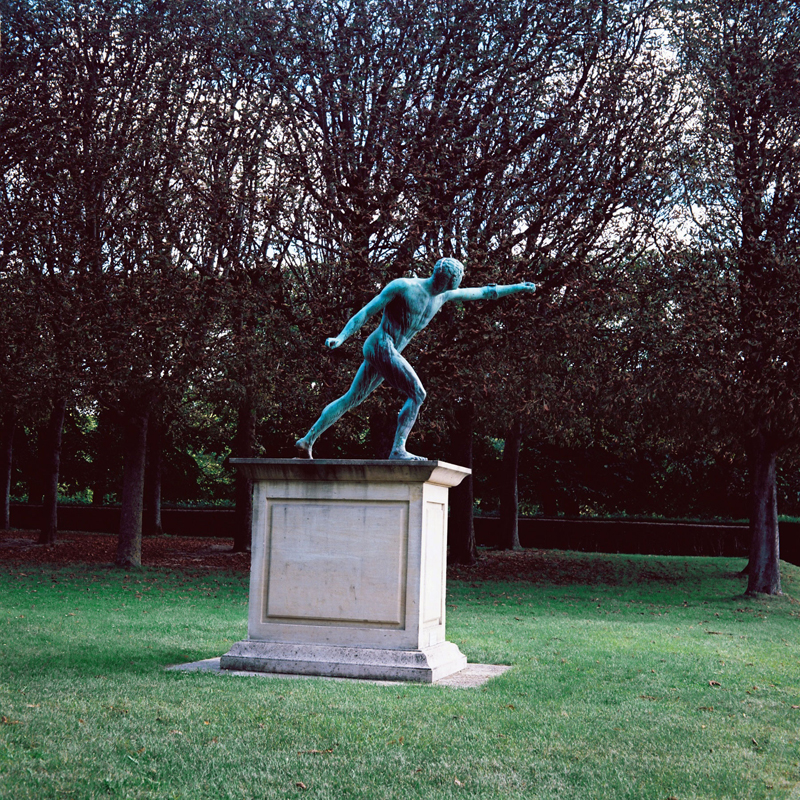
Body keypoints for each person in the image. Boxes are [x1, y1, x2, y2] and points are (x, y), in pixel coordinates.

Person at [295, 257, 536, 460]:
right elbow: (367, 311)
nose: (452, 288)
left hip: (388, 351)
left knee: (351, 398)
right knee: (418, 393)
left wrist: (518, 288)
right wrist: (341, 337)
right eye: (451, 283)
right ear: (441, 279)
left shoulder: (442, 296)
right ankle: (398, 449)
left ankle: (308, 439)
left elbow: (484, 292)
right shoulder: (404, 287)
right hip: (381, 343)